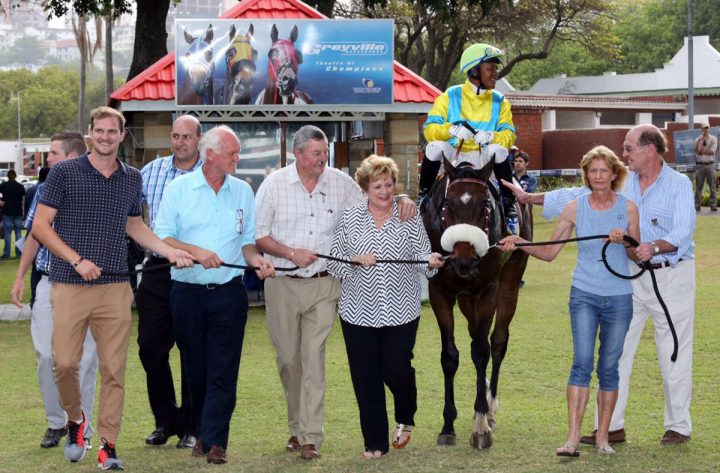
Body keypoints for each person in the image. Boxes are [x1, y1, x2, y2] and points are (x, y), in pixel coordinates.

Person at [502, 124, 696, 446]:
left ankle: (678, 426)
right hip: (628, 278)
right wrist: (528, 197)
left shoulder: (679, 185)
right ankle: (610, 427)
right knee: (616, 354)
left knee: (673, 351)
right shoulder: (625, 183)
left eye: (629, 148)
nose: (625, 154)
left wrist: (655, 246)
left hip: (670, 275)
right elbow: (577, 194)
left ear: (650, 149)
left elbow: (684, 231)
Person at [31, 106, 194, 470]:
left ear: (123, 136)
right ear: (90, 134)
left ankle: (108, 446)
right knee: (65, 363)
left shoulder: (131, 178)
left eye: (112, 132)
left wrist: (171, 251)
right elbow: (41, 227)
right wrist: (77, 260)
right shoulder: (64, 174)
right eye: (99, 131)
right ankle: (76, 421)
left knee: (114, 371)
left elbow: (135, 226)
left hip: (116, 286)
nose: (105, 137)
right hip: (70, 283)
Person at [254, 125, 416, 460]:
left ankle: (311, 437)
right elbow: (261, 236)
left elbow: (376, 198)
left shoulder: (341, 184)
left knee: (313, 359)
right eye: (315, 154)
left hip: (325, 284)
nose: (321, 159)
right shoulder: (274, 185)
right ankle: (296, 427)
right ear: (297, 154)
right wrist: (289, 253)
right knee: (289, 360)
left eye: (324, 152)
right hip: (282, 283)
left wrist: (400, 197)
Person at [499, 146, 640, 456]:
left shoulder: (628, 208)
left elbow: (637, 256)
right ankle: (573, 439)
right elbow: (550, 253)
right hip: (584, 296)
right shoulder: (575, 208)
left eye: (604, 170)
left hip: (619, 298)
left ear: (614, 174)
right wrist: (521, 242)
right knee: (581, 364)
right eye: (593, 171)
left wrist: (627, 240)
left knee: (609, 368)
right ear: (586, 175)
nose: (599, 176)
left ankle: (602, 438)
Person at [154, 125, 275, 465]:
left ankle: (216, 441)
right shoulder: (179, 189)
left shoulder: (242, 191)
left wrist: (257, 260)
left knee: (223, 369)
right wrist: (196, 251)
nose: (238, 158)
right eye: (232, 153)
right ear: (210, 155)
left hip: (229, 294)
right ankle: (203, 432)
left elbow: (247, 243)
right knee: (197, 369)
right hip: (186, 293)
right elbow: (163, 237)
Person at [327, 155, 444, 459]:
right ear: (365, 187)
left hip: (401, 310)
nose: (383, 191)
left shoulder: (408, 215)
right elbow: (333, 262)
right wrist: (353, 261)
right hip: (357, 313)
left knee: (396, 368)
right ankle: (375, 442)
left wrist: (431, 262)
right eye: (377, 185)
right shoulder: (350, 216)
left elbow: (423, 259)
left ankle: (405, 414)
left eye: (389, 185)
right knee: (365, 378)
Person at [10, 131, 99, 450]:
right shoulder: (45, 189)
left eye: (53, 154)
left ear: (73, 156)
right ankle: (56, 422)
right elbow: (34, 235)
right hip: (49, 281)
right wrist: (20, 277)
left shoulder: (100, 188)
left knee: (85, 360)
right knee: (46, 355)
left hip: (88, 287)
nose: (48, 159)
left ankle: (81, 427)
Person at [135, 115, 203, 450]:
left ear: (199, 139)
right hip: (156, 270)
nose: (180, 143)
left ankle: (191, 425)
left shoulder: (211, 175)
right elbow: (134, 218)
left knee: (191, 349)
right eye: (175, 136)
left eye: (186, 137)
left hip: (194, 272)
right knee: (150, 348)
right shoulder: (151, 171)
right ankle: (165, 420)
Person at [420, 42, 518, 234]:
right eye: (490, 68)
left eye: (495, 68)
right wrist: (451, 131)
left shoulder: (501, 101)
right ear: (474, 71)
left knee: (499, 149)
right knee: (433, 147)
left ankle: (509, 204)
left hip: (484, 159)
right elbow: (430, 128)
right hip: (455, 157)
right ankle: (423, 196)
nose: (495, 73)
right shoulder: (450, 95)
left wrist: (492, 136)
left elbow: (509, 135)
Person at [0, 169, 25, 258]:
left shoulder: (3, 185)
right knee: (18, 233)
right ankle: (19, 253)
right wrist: (23, 210)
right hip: (17, 212)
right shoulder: (20, 186)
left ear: (7, 176)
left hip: (7, 211)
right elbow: (22, 200)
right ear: (16, 176)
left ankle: (7, 253)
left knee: (8, 233)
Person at [693, 123, 717, 211]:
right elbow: (697, 151)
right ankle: (697, 205)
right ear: (701, 129)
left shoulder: (713, 138)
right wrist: (699, 141)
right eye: (704, 128)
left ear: (709, 129)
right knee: (699, 186)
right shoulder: (697, 139)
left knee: (712, 186)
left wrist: (702, 151)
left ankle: (713, 205)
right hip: (700, 165)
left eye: (707, 128)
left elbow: (712, 151)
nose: (705, 130)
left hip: (710, 164)